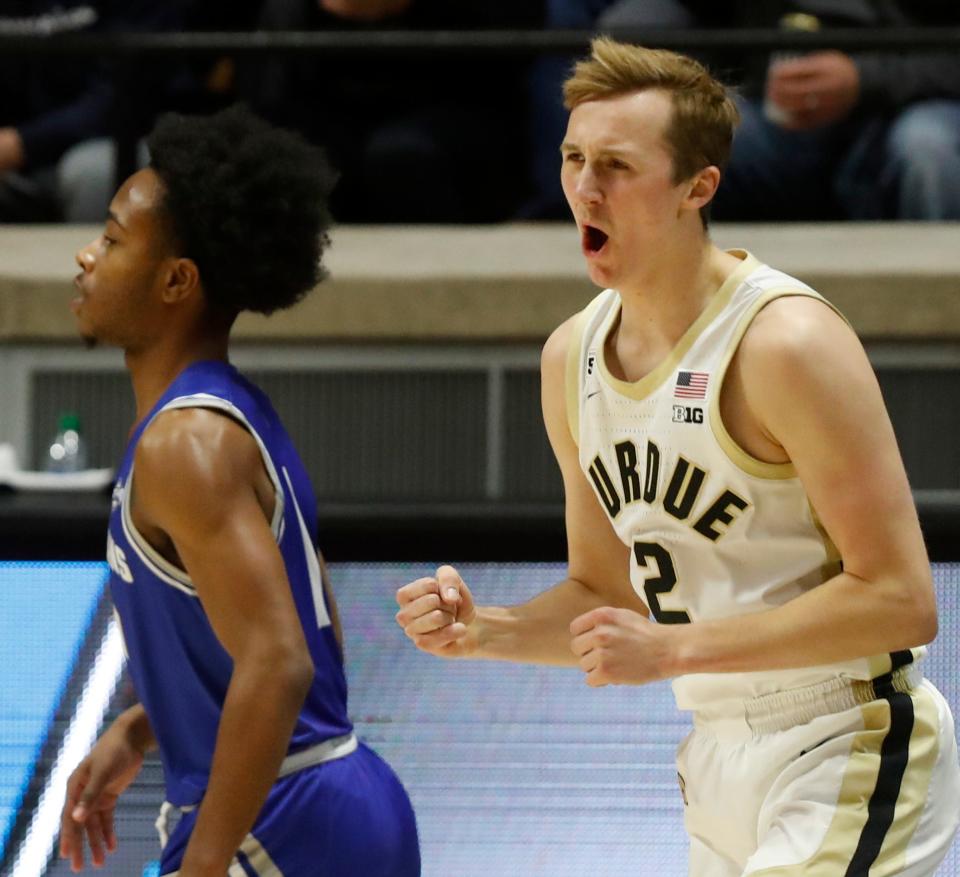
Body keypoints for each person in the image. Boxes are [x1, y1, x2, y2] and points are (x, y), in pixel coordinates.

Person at [396, 38, 960, 875]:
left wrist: (672, 650)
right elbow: (604, 592)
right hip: (713, 751)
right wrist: (485, 631)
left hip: (850, 733)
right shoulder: (570, 358)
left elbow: (903, 599)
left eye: (618, 165)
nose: (586, 187)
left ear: (698, 188)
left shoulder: (785, 342)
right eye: (574, 158)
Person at [59, 105, 420, 876]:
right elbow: (308, 623)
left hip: (283, 821)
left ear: (176, 281)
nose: (87, 256)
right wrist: (142, 726)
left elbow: (281, 661)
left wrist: (205, 863)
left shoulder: (184, 444)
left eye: (115, 240)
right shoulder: (223, 412)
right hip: (325, 801)